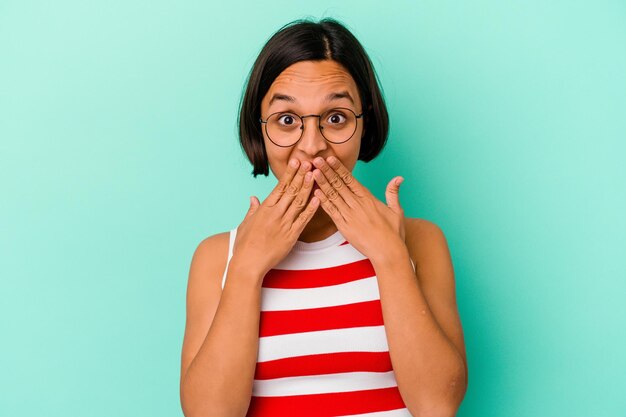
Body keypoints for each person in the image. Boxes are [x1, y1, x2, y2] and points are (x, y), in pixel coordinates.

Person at [180, 18, 467, 417]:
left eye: (335, 117)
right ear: (258, 129)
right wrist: (246, 268)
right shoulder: (218, 257)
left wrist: (390, 257)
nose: (313, 146)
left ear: (363, 124)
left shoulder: (420, 240)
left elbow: (437, 405)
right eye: (286, 120)